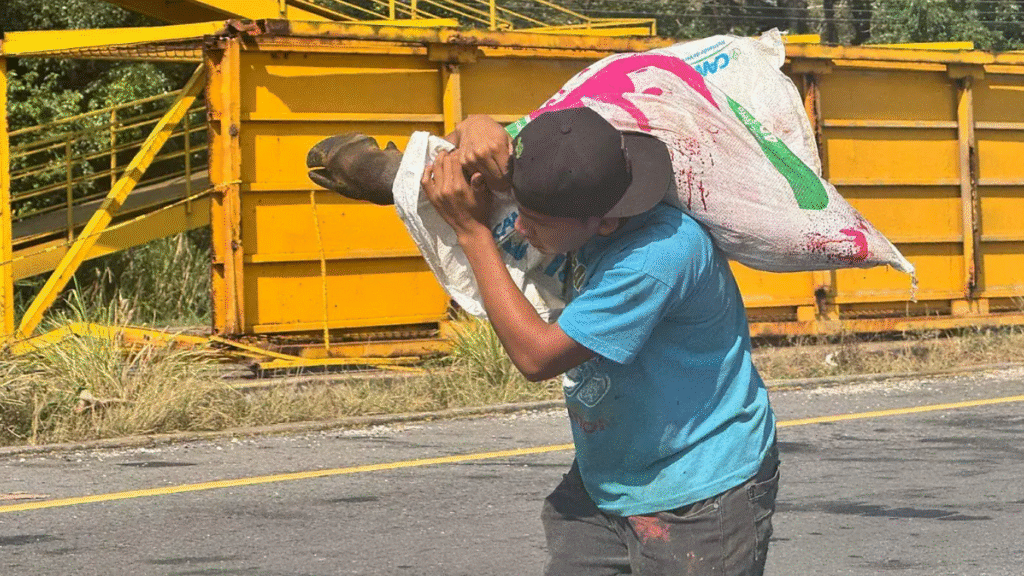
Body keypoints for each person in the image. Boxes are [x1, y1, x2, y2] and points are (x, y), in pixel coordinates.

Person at [421, 106, 780, 576]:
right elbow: (495, 144)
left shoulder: (656, 258)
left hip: (698, 492)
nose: (521, 229)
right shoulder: (581, 185)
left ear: (605, 222)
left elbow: (537, 357)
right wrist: (475, 127)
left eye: (535, 220)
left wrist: (473, 233)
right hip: (610, 479)